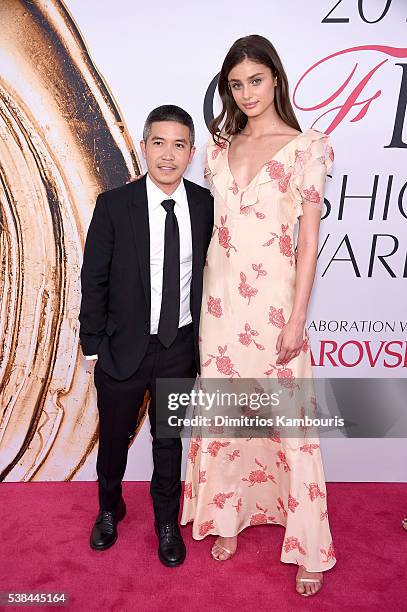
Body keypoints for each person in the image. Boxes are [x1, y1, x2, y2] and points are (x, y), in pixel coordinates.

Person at [181, 35, 336, 596]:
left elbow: (308, 243)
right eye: (236, 83)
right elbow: (208, 224)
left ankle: (309, 544)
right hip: (220, 310)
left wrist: (298, 319)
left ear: (276, 79)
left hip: (274, 309)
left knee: (290, 427)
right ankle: (227, 515)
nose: (246, 93)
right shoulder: (217, 150)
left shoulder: (308, 148)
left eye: (256, 80)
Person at [79, 105, 213, 566]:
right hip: (121, 349)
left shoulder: (205, 206)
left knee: (168, 441)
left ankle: (166, 523)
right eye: (159, 142)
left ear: (191, 153)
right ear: (144, 147)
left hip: (178, 349)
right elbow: (92, 276)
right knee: (113, 438)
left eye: (179, 145)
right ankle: (109, 508)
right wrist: (93, 344)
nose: (168, 155)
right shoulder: (114, 205)